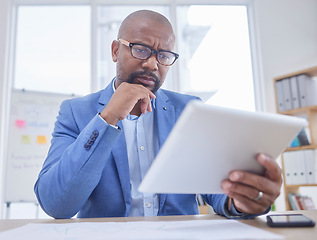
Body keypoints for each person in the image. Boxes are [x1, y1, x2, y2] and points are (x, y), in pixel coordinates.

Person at [34, 10, 282, 219]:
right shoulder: (76, 113)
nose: (153, 64)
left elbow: (216, 189)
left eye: (164, 56)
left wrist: (241, 202)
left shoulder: (189, 109)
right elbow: (56, 204)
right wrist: (106, 118)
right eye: (141, 50)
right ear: (114, 51)